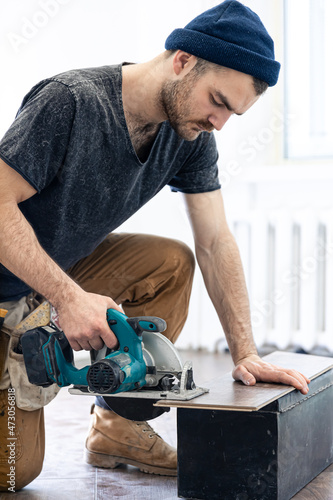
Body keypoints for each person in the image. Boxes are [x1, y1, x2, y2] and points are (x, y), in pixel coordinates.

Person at [0, 0, 310, 491]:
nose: (220, 122)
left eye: (234, 112)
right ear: (183, 60)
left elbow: (214, 240)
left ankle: (117, 426)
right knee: (14, 471)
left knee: (169, 262)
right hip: (8, 280)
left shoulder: (189, 134)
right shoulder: (71, 101)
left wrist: (245, 354)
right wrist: (69, 298)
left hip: (48, 279)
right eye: (218, 101)